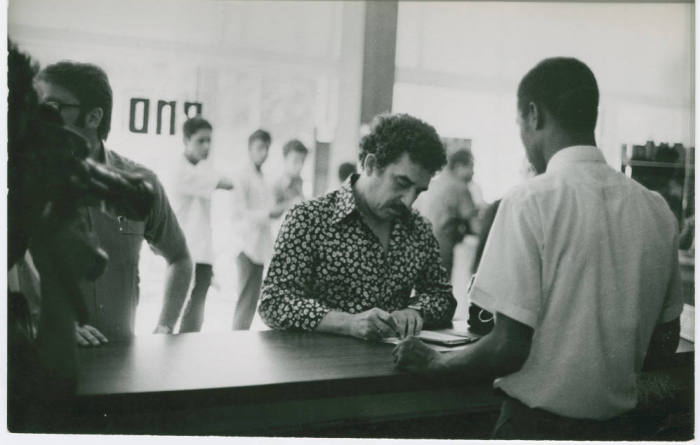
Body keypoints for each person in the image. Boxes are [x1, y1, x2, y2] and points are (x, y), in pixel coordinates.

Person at [393, 57, 683, 440]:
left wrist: (437, 364)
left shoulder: (530, 201)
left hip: (535, 426)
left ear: (532, 115)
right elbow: (665, 341)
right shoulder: (656, 209)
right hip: (620, 431)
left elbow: (508, 346)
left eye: (518, 125)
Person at [34, 61, 193, 345]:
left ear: (93, 117)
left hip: (120, 369)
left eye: (54, 107)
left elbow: (180, 259)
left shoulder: (141, 184)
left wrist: (164, 329)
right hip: (43, 366)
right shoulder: (20, 186)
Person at [259, 113, 457, 340]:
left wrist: (416, 311)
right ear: (371, 164)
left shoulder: (418, 229)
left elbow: (442, 296)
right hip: (319, 367)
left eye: (419, 191)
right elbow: (274, 302)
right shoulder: (309, 219)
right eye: (402, 183)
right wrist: (347, 323)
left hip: (392, 368)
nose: (408, 201)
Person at [169, 117, 233, 333]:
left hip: (201, 253)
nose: (206, 146)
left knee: (195, 317)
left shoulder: (202, 169)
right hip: (187, 254)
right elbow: (227, 183)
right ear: (186, 140)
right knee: (188, 319)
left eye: (209, 141)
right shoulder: (183, 170)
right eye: (200, 141)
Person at [229, 129, 291, 330]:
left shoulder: (262, 177)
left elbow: (270, 208)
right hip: (246, 245)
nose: (263, 152)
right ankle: (235, 345)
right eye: (259, 148)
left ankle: (239, 342)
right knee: (245, 302)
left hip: (258, 246)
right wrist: (268, 213)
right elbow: (238, 214)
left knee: (250, 302)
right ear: (250, 149)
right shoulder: (242, 176)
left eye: (266, 148)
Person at [414, 148, 482, 276]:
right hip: (441, 247)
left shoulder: (435, 183)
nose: (473, 173)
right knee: (439, 290)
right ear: (458, 167)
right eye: (471, 167)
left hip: (420, 244)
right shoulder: (460, 187)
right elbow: (476, 227)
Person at [272, 139, 308, 206]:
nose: (300, 166)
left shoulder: (299, 182)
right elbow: (270, 212)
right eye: (295, 161)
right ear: (285, 159)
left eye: (302, 161)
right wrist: (290, 205)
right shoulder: (275, 185)